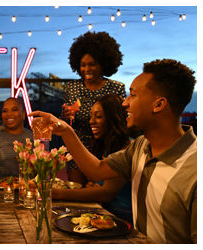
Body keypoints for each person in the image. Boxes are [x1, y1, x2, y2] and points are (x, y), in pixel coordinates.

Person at [29, 59, 197, 244]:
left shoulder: (194, 167)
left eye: (133, 95)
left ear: (158, 105)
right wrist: (66, 131)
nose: (125, 103)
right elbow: (96, 170)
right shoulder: (140, 146)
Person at [53, 94, 133, 225]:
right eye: (91, 116)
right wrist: (93, 186)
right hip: (103, 211)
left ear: (114, 118)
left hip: (122, 216)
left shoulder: (127, 149)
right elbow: (98, 185)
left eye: (99, 116)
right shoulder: (106, 148)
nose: (91, 121)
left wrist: (55, 193)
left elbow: (107, 193)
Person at [61, 31, 127, 186]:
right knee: (78, 193)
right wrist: (67, 115)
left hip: (108, 150)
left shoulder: (116, 88)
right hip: (78, 149)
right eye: (83, 65)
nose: (86, 70)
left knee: (100, 196)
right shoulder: (72, 87)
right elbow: (63, 123)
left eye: (92, 64)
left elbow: (121, 121)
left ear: (103, 64)